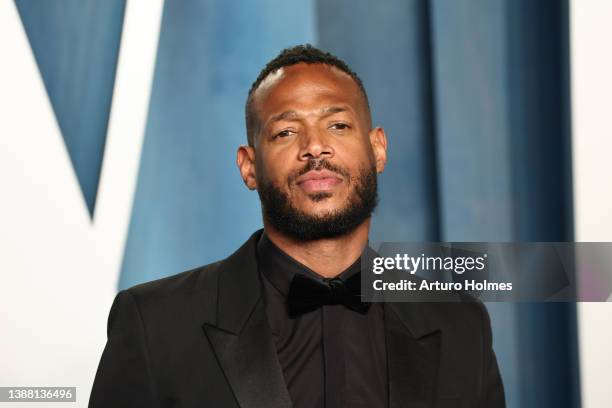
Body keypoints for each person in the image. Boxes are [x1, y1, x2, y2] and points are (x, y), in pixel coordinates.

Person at [89, 44, 505, 408]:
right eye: (286, 132)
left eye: (337, 125)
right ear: (249, 166)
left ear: (377, 148)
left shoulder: (460, 323)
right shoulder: (155, 324)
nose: (314, 147)